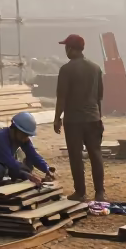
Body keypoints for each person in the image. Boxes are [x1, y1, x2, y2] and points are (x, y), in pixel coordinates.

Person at [53, 34, 106, 202]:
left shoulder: (66, 69)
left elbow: (61, 97)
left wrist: (57, 118)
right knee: (95, 155)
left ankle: (80, 192)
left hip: (74, 120)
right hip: (93, 118)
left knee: (76, 156)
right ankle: (100, 192)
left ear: (71, 48)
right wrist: (99, 117)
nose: (65, 50)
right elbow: (99, 97)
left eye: (66, 47)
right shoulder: (96, 68)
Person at [0, 112, 55, 187]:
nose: (26, 138)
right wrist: (29, 176)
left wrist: (47, 169)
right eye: (24, 135)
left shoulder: (21, 138)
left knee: (26, 165)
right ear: (14, 129)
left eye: (27, 136)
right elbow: (11, 163)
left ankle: (3, 182)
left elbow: (33, 155)